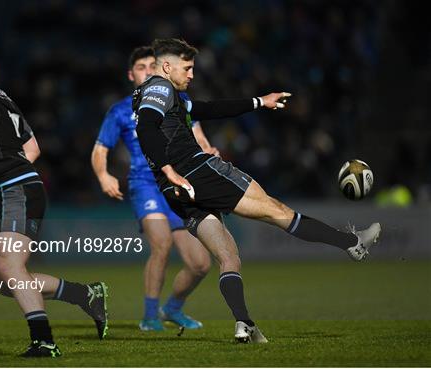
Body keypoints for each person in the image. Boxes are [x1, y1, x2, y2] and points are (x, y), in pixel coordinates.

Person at [133, 38, 381, 343]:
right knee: (277, 211)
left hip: (177, 193)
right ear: (167, 66)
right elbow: (145, 127)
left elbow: (208, 109)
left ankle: (244, 324)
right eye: (188, 68)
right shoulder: (159, 87)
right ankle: (352, 243)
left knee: (229, 258)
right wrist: (171, 169)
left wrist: (258, 102)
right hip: (197, 172)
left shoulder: (163, 96)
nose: (192, 74)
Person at [0, 41, 108, 357]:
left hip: (14, 190)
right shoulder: (1, 96)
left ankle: (44, 340)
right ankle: (85, 294)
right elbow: (33, 147)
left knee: (8, 263)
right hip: (9, 189)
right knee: (3, 280)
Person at [92, 46, 216, 331]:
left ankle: (171, 309)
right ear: (131, 75)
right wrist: (103, 175)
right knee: (161, 244)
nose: (148, 71)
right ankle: (149, 316)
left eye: (152, 65)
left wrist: (209, 151)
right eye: (141, 67)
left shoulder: (178, 101)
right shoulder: (121, 110)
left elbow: (199, 137)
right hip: (145, 184)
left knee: (200, 263)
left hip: (178, 184)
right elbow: (100, 149)